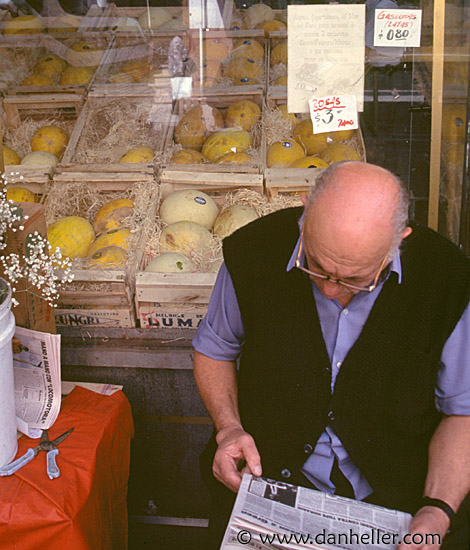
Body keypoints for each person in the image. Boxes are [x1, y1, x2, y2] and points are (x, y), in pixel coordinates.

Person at [193, 161, 470, 549]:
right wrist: (229, 428)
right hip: (267, 484)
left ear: (398, 242)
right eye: (316, 266)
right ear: (306, 214)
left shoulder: (447, 279)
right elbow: (214, 349)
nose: (328, 290)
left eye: (356, 280)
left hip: (396, 499)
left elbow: (463, 409)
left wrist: (437, 509)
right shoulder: (253, 250)